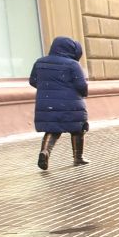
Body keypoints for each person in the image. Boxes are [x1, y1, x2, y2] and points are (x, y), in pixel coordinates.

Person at [29, 35, 89, 171]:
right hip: (71, 103)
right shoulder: (73, 64)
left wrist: (47, 90)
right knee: (78, 128)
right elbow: (81, 84)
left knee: (52, 128)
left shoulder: (40, 62)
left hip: (46, 102)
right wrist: (84, 93)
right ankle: (78, 157)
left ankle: (45, 152)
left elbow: (33, 81)